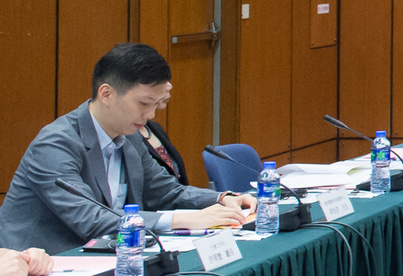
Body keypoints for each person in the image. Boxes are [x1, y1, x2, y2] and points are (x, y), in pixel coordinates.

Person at [0, 43, 252, 254]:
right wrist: (183, 219)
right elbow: (92, 219)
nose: (150, 115)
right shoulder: (55, 144)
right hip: (39, 269)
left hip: (104, 260)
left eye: (156, 104)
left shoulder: (130, 137)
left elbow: (165, 191)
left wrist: (222, 198)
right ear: (107, 94)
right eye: (144, 103)